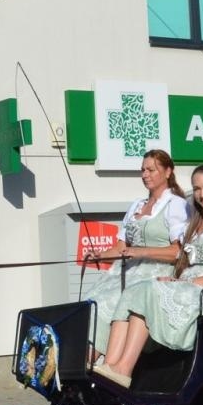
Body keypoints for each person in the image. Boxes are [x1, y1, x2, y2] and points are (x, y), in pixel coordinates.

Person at [93, 164, 203, 386]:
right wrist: (176, 280)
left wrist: (192, 284)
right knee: (134, 290)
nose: (202, 194)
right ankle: (111, 365)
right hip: (188, 284)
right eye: (197, 189)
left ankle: (124, 367)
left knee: (147, 291)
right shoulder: (195, 221)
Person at [81, 149, 190, 355]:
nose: (144, 175)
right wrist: (99, 255)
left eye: (151, 170)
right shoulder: (136, 205)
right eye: (142, 170)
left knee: (107, 303)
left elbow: (178, 252)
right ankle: (80, 364)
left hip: (156, 274)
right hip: (125, 272)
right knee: (91, 301)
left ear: (168, 172)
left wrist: (140, 252)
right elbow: (121, 248)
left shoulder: (176, 205)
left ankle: (92, 362)